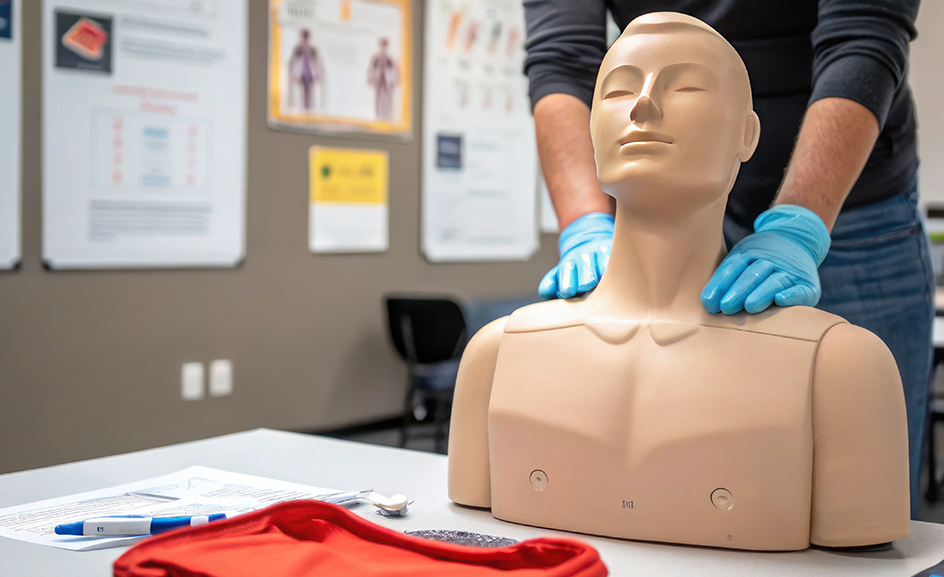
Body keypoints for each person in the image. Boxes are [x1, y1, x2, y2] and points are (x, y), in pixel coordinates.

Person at [447, 13, 910, 549]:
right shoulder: (496, 356)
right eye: (618, 90)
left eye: (686, 86)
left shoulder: (842, 367)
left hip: (857, 181)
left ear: (746, 134)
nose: (643, 106)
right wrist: (581, 221)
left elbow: (866, 33)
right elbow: (557, 55)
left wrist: (799, 227)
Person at [288, 29, 323, 111]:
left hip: (310, 74)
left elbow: (317, 63)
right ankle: (303, 109)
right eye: (304, 37)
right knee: (302, 92)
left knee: (310, 93)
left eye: (306, 37)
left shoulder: (312, 49)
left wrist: (317, 74)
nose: (305, 39)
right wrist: (293, 74)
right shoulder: (298, 49)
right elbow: (293, 62)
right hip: (301, 74)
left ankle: (309, 109)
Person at [368, 37, 399, 121]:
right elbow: (372, 69)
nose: (383, 47)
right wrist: (371, 79)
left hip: (387, 82)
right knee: (378, 98)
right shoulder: (376, 58)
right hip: (379, 81)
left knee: (388, 99)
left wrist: (395, 81)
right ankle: (378, 116)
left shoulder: (390, 58)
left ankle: (387, 115)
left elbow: (395, 70)